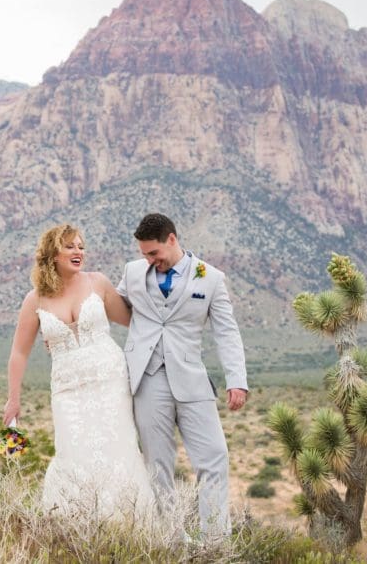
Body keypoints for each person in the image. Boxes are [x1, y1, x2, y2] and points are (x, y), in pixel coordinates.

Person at [4, 223, 155, 522]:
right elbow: (19, 353)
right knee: (72, 451)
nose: (78, 252)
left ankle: (130, 523)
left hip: (110, 381)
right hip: (67, 389)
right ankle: (73, 525)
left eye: (81, 246)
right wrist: (13, 399)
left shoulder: (97, 282)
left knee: (119, 447)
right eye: (70, 246)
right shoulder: (35, 299)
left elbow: (132, 320)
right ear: (53, 253)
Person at [117, 213, 248, 538]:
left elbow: (226, 332)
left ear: (171, 240)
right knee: (157, 466)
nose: (149, 260)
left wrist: (237, 380)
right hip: (147, 380)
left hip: (192, 379)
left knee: (214, 459)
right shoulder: (133, 272)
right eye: (145, 254)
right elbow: (116, 306)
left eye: (154, 253)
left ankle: (215, 542)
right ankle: (171, 540)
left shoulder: (211, 277)